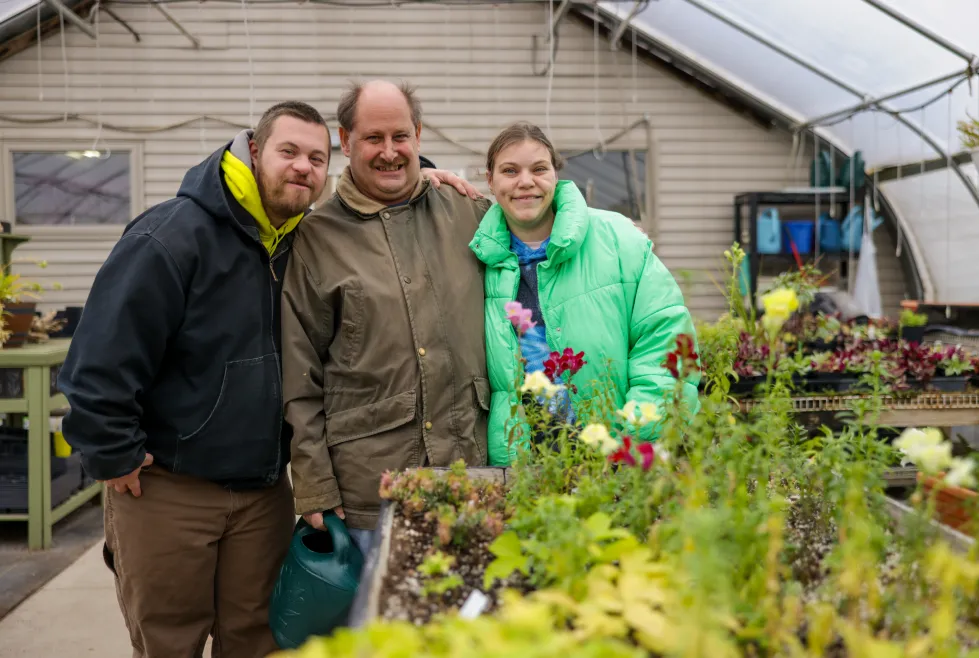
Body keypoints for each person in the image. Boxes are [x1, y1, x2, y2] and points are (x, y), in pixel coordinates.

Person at [57, 99, 478, 658]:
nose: (303, 167)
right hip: (169, 487)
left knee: (257, 640)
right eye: (288, 152)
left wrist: (425, 174)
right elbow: (98, 357)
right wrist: (112, 453)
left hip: (261, 492)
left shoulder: (300, 237)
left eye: (315, 157)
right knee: (169, 639)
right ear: (254, 151)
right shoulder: (174, 234)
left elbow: (388, 194)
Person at [281, 80, 491, 554]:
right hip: (371, 489)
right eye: (374, 138)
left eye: (400, 136)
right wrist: (314, 484)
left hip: (472, 469)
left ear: (418, 135)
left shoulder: (469, 213)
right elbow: (299, 372)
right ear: (346, 140)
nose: (390, 152)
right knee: (380, 624)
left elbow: (538, 229)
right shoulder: (316, 237)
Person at [468, 121, 700, 466]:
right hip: (521, 471)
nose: (525, 182)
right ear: (490, 180)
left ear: (555, 175)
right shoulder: (478, 258)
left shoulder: (619, 240)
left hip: (617, 465)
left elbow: (665, 343)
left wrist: (631, 439)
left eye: (539, 169)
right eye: (510, 171)